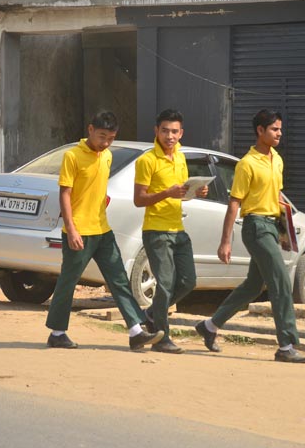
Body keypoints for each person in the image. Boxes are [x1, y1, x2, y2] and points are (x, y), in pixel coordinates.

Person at [195, 109, 305, 363]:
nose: (279, 133)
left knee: (253, 286)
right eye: (274, 129)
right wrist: (225, 242)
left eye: (280, 129)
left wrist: (286, 228)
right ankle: (286, 345)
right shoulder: (247, 164)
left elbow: (277, 196)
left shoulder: (277, 159)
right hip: (255, 227)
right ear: (260, 131)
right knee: (280, 282)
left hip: (271, 226)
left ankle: (210, 326)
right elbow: (234, 203)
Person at [45, 111, 164, 350]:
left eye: (110, 138)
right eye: (102, 136)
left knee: (119, 279)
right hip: (78, 231)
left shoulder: (107, 156)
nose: (106, 142)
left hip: (102, 229)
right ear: (90, 130)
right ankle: (57, 333)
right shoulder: (72, 156)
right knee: (68, 282)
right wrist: (71, 228)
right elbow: (64, 194)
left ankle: (135, 331)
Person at [133, 109, 208, 354]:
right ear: (156, 131)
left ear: (181, 133)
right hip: (156, 231)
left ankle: (153, 314)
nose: (170, 136)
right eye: (165, 130)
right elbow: (139, 199)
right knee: (165, 284)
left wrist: (195, 192)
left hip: (178, 229)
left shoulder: (181, 157)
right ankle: (162, 337)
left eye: (174, 131)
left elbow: (182, 194)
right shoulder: (147, 160)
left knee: (188, 281)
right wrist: (166, 193)